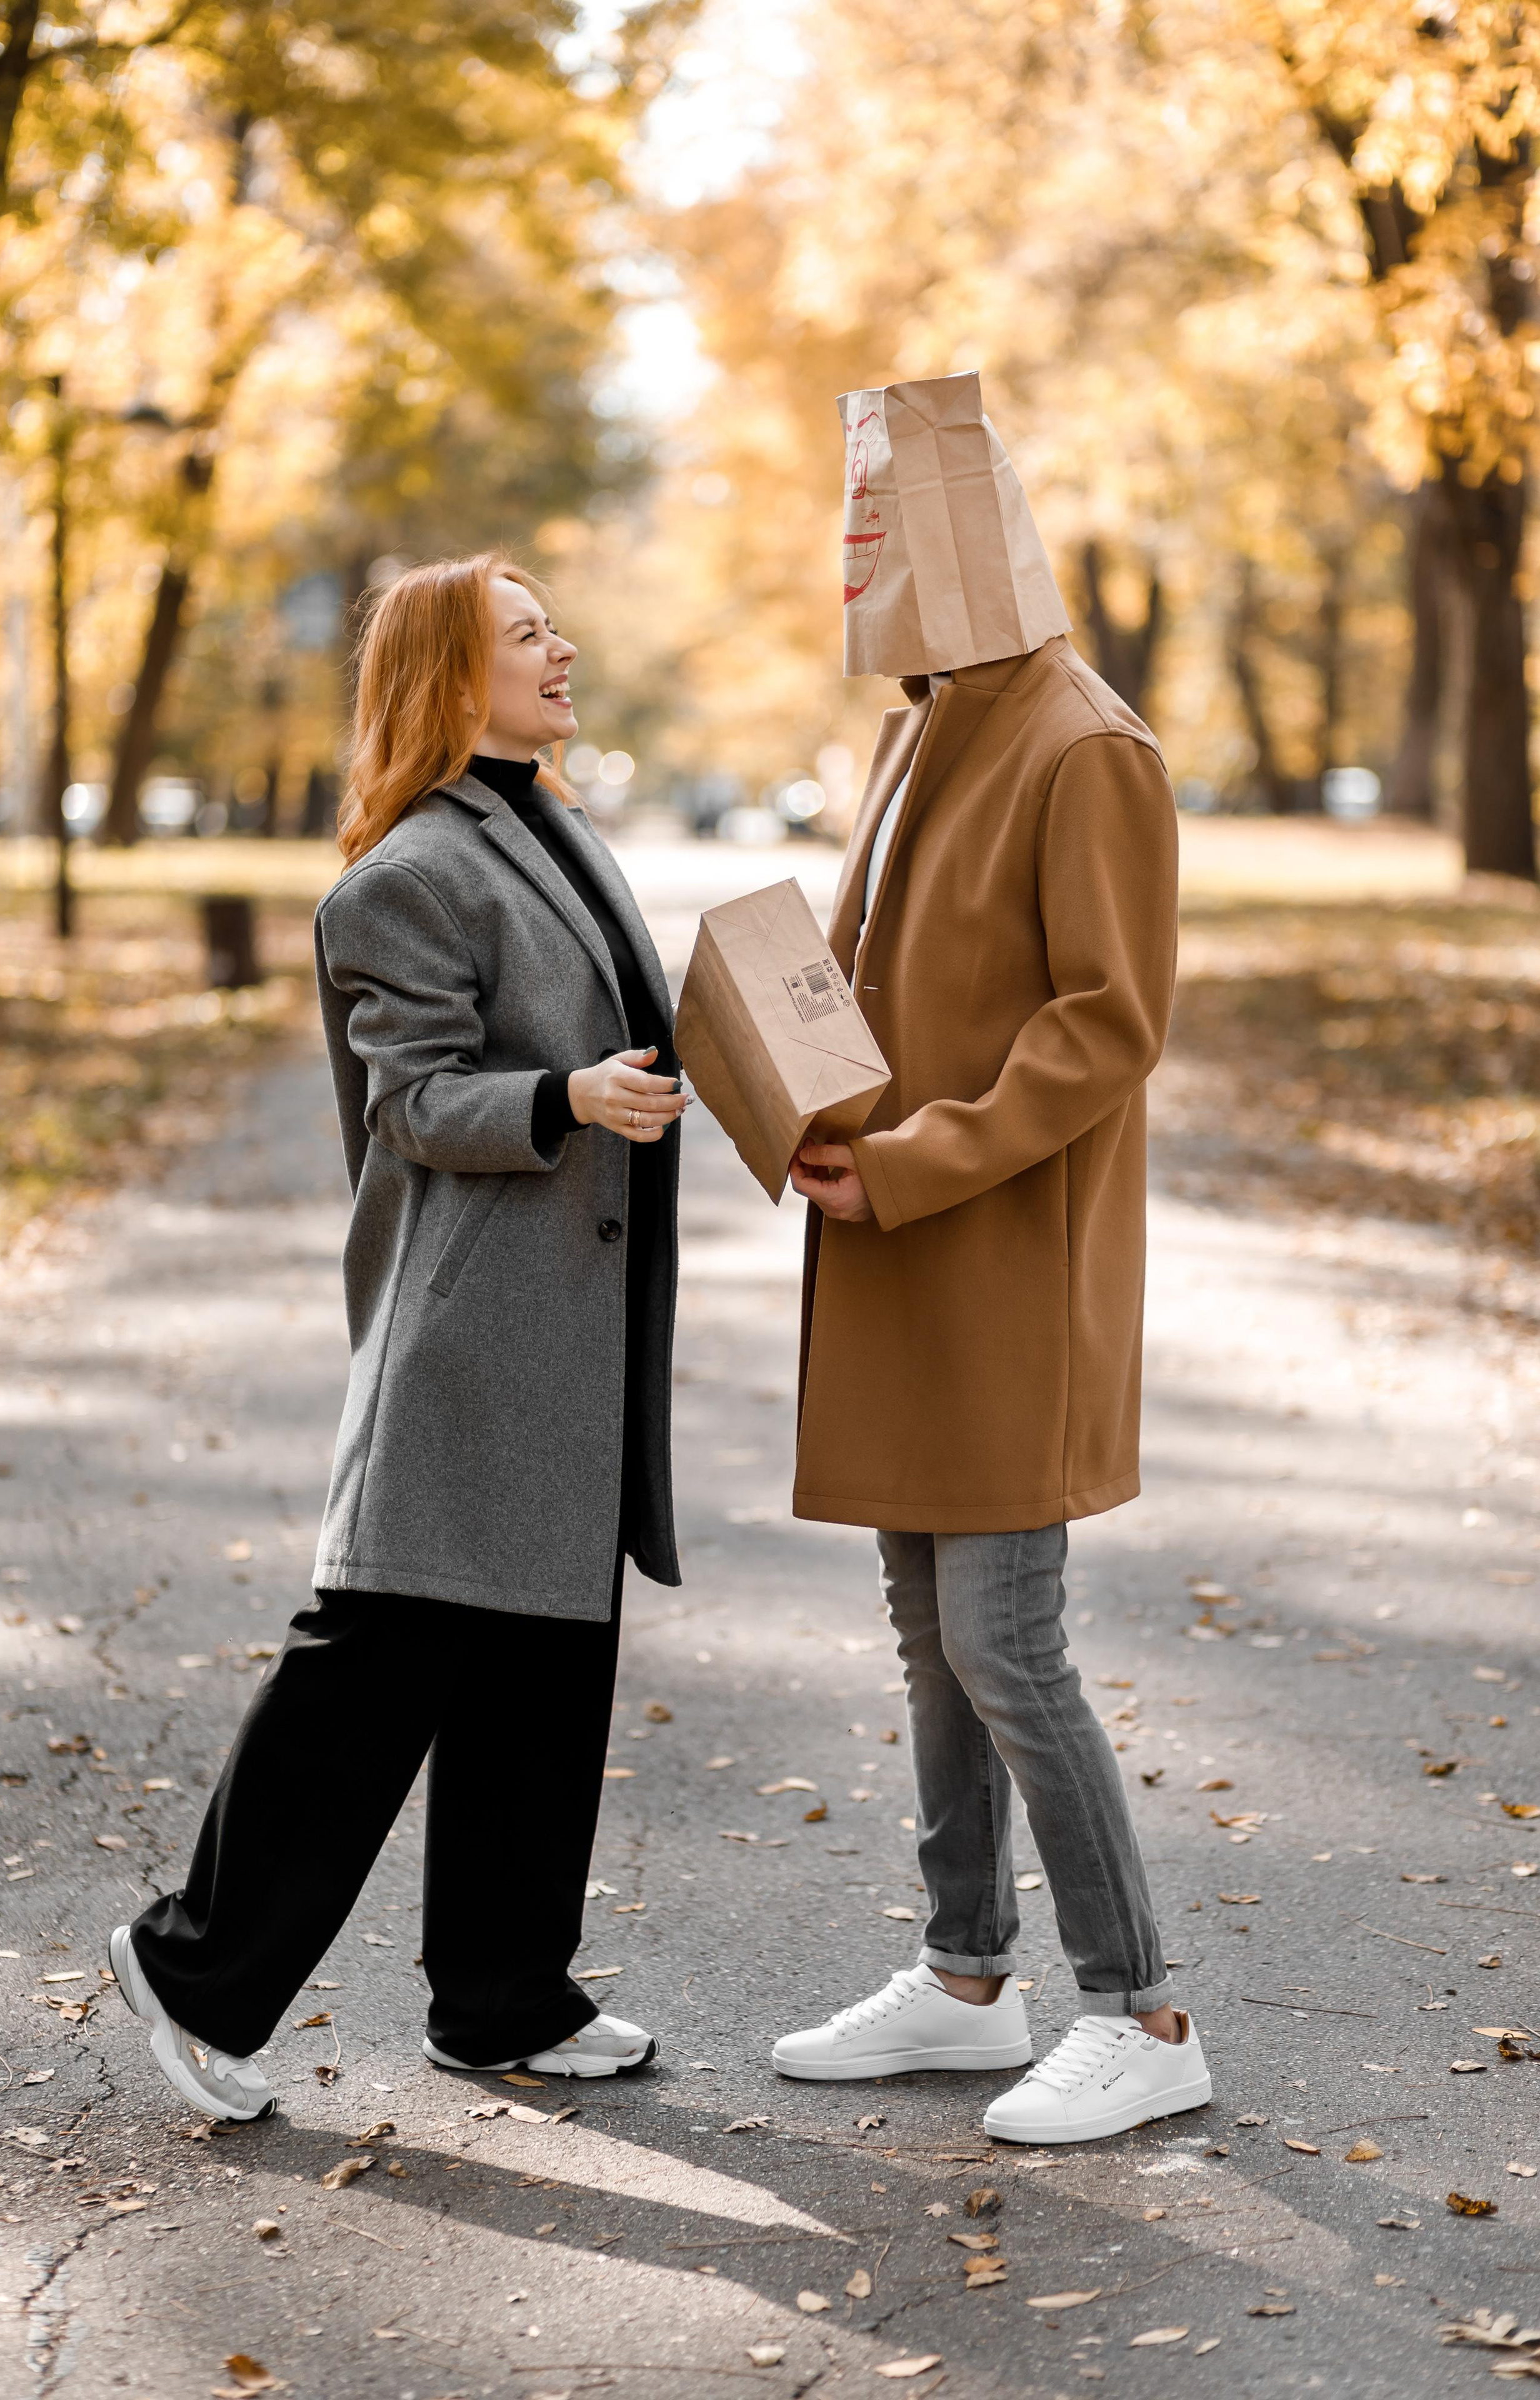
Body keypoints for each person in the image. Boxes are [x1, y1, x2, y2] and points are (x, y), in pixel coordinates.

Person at [106, 554, 686, 2120]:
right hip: (471, 1335)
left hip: (569, 1326)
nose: (562, 645)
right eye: (525, 632)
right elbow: (411, 1103)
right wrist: (563, 1100)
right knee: (376, 1666)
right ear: (449, 671)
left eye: (554, 622)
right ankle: (193, 1968)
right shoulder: (404, 877)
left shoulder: (550, 823)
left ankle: (501, 2000)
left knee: (543, 1669)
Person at [771, 373, 1211, 2144]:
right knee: (925, 1634)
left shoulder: (1083, 742)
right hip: (897, 1244)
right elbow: (879, 973)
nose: (864, 552)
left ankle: (1144, 2008)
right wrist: (788, 1093)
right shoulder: (924, 721)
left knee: (1003, 1641)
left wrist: (918, 1162)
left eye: (888, 523)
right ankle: (967, 1979)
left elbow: (1111, 1024)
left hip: (1002, 1254)